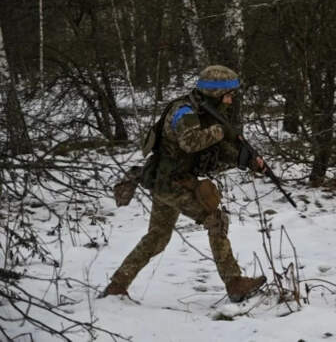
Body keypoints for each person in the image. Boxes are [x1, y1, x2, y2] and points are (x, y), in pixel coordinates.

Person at [102, 65, 266, 302]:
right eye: (228, 94)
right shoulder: (184, 111)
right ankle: (235, 283)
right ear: (215, 92)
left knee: (157, 238)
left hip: (170, 182)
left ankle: (117, 285)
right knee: (215, 220)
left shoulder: (205, 110)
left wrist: (248, 160)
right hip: (171, 183)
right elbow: (191, 142)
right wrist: (220, 131)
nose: (231, 100)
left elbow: (217, 148)